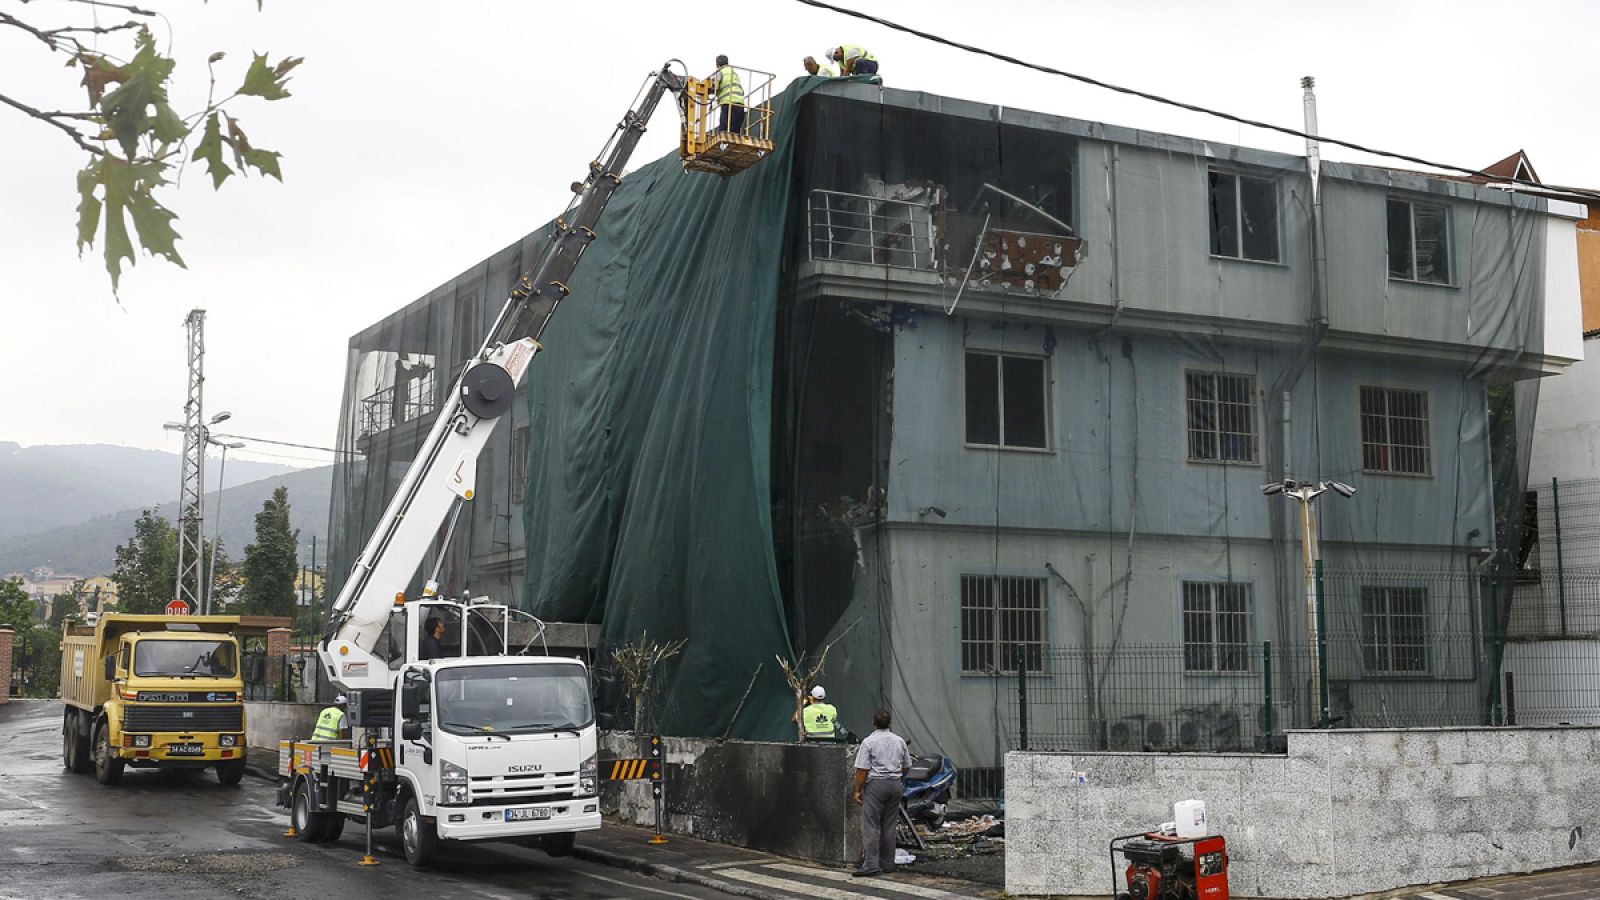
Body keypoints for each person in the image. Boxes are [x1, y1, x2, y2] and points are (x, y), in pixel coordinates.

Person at [851, 707, 911, 877]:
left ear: (873, 723)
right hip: (895, 784)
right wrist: (896, 776)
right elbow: (907, 766)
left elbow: (862, 769)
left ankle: (871, 865)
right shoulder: (899, 741)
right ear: (889, 723)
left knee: (871, 825)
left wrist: (857, 790)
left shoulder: (869, 742)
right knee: (889, 825)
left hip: (876, 785)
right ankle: (888, 863)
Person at [708, 54, 746, 135]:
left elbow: (716, 87)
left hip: (728, 104)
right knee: (735, 131)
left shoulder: (720, 72)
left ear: (717, 64)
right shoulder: (734, 73)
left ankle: (723, 145)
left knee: (723, 130)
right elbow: (742, 90)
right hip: (740, 104)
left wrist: (708, 90)